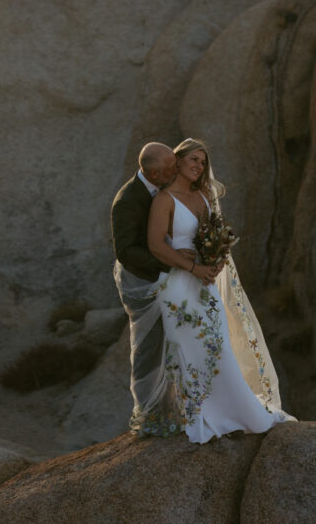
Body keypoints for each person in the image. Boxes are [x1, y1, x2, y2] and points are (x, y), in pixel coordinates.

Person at [125, 137, 294, 442]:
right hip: (178, 287)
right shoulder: (164, 200)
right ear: (178, 161)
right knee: (189, 350)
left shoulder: (204, 195)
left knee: (219, 346)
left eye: (203, 162)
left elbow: (212, 236)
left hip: (206, 283)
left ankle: (236, 411)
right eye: (193, 159)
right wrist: (192, 267)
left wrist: (215, 261)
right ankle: (197, 414)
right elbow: (155, 245)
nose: (199, 166)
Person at [110, 142, 209, 428]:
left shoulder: (170, 188)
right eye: (171, 169)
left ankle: (180, 407)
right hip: (142, 280)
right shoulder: (128, 200)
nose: (177, 170)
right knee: (149, 343)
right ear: (154, 174)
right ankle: (148, 414)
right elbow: (126, 252)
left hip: (175, 276)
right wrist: (170, 261)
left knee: (177, 341)